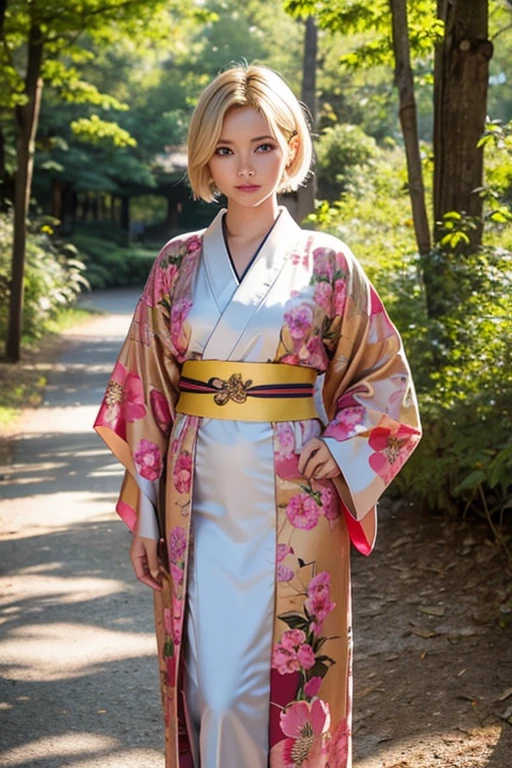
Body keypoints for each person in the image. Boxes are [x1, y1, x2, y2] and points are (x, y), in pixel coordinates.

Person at [94, 63, 421, 768]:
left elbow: (383, 378)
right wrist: (147, 517)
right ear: (205, 158)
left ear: (292, 147)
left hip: (296, 499)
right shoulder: (176, 265)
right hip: (196, 498)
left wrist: (342, 449)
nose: (246, 166)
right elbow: (146, 397)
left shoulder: (328, 263)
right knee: (210, 687)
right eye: (226, 149)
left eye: (264, 145)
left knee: (287, 686)